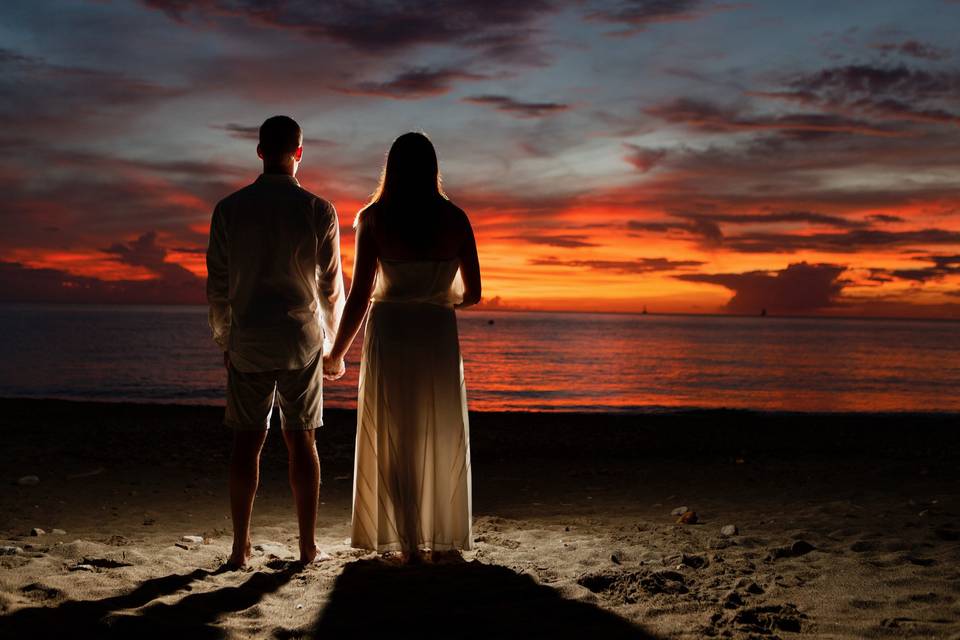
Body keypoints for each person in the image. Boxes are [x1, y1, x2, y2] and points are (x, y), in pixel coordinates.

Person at [324, 132, 481, 561]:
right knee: (439, 428)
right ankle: (438, 537)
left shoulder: (374, 219)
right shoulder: (456, 220)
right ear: (433, 169)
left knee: (394, 433)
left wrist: (337, 353)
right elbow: (475, 294)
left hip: (391, 332)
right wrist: (438, 298)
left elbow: (359, 296)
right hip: (435, 334)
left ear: (391, 168)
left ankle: (406, 539)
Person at [206, 115, 345, 568]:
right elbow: (330, 287)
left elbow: (219, 284)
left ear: (260, 150)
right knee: (301, 441)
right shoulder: (319, 210)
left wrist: (225, 337)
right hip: (299, 340)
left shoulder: (229, 209)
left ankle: (239, 547)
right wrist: (332, 344)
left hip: (248, 336)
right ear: (299, 153)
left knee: (246, 444)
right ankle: (307, 547)